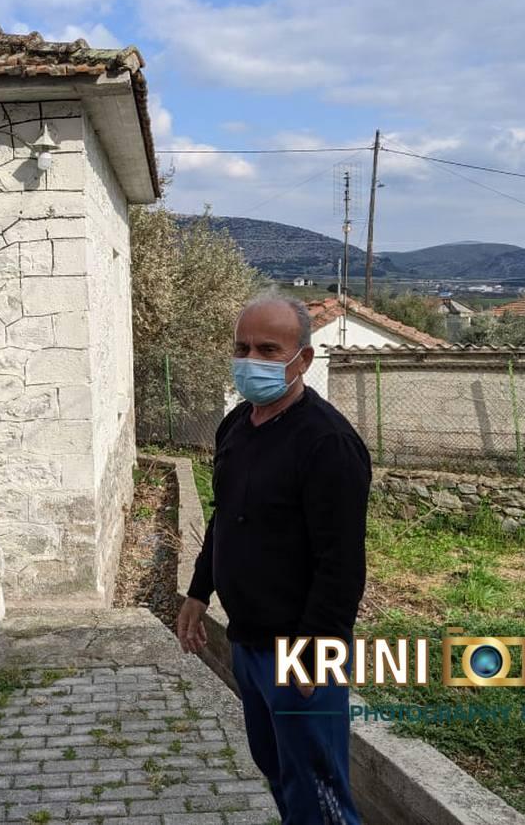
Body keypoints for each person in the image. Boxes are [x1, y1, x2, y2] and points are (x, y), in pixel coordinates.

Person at [177, 291, 370, 825]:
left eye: (268, 349)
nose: (251, 361)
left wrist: (316, 649)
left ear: (302, 359)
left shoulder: (328, 443)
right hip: (247, 641)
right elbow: (224, 517)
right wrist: (199, 591)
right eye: (242, 348)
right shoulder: (236, 425)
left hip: (299, 650)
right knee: (279, 772)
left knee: (319, 791)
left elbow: (341, 564)